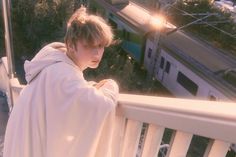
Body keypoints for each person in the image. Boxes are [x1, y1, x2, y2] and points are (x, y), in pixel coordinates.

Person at [3, 6, 119, 157]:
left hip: (22, 142)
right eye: (89, 46)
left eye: (100, 45)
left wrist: (87, 86)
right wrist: (111, 86)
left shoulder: (54, 65)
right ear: (71, 45)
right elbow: (102, 104)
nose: (97, 53)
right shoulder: (63, 74)